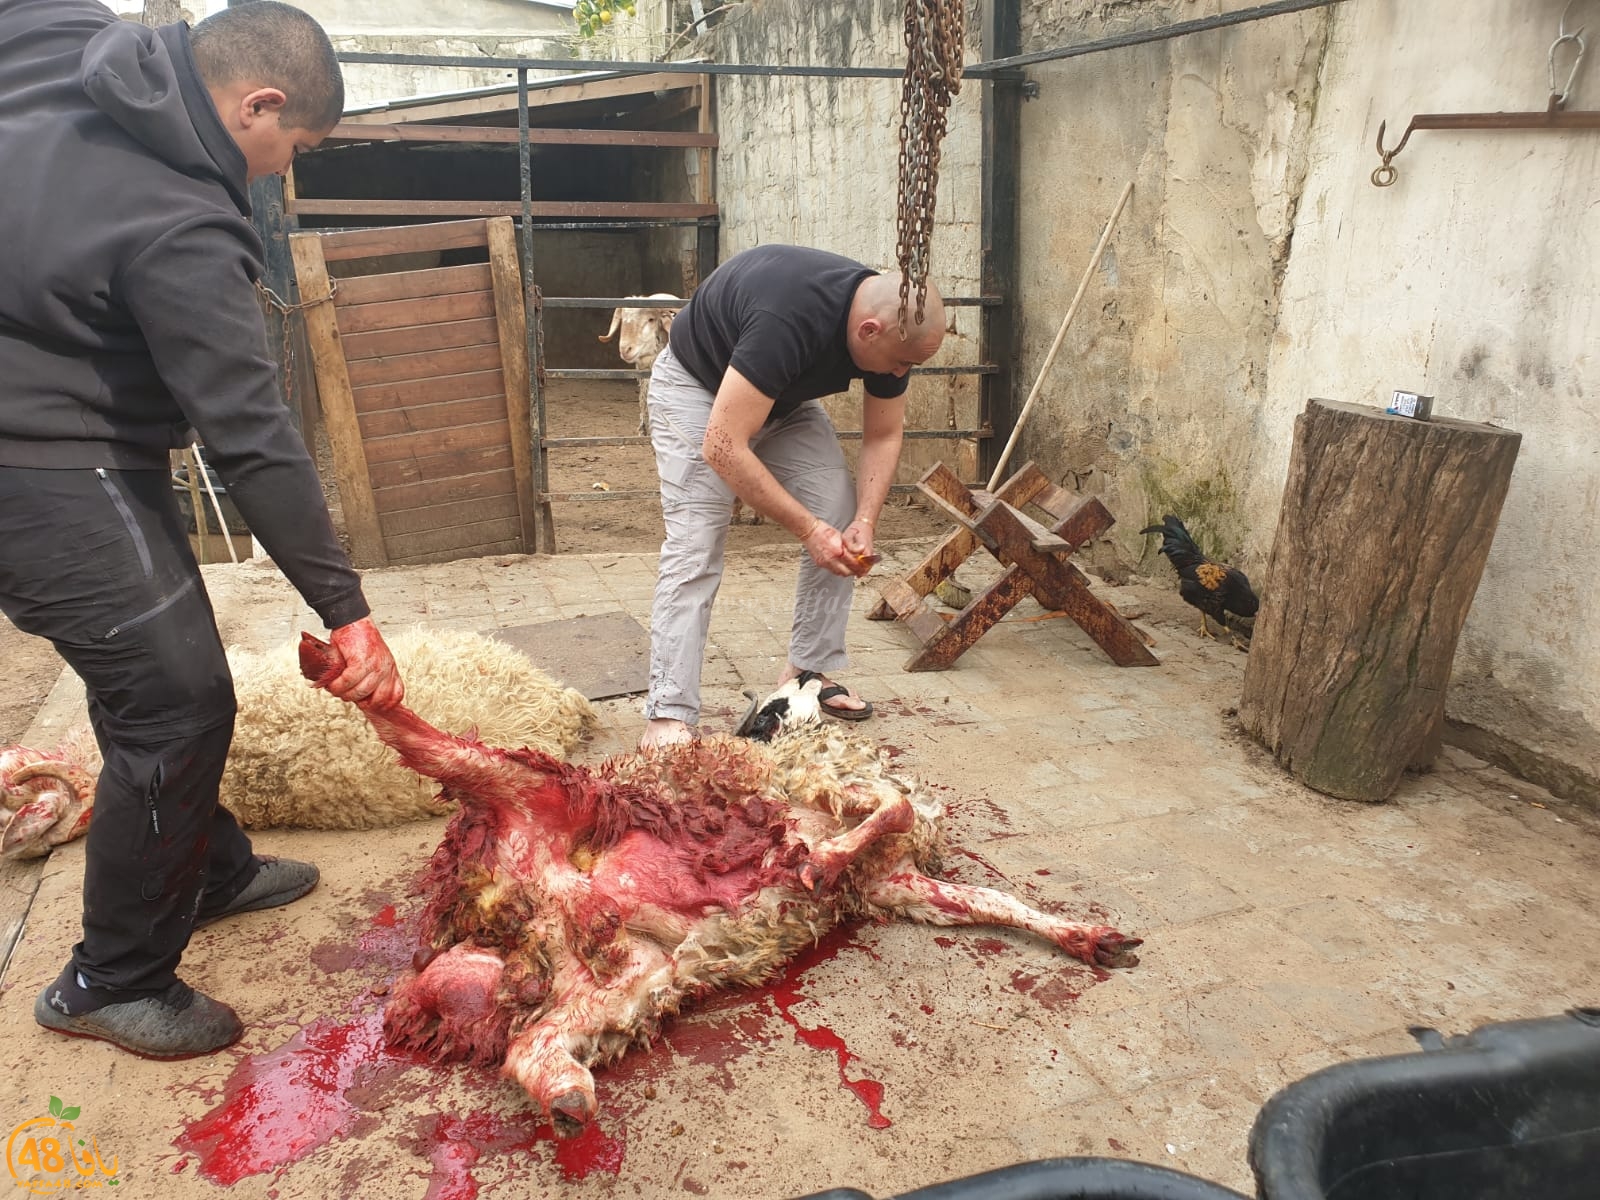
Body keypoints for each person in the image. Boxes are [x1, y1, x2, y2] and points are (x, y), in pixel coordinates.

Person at [0, 0, 405, 1059]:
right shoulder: (182, 216)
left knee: (155, 662)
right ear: (254, 104)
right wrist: (347, 612)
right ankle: (109, 979)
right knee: (177, 699)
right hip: (38, 455)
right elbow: (251, 437)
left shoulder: (66, 44)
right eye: (291, 152)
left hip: (65, 422)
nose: (277, 176)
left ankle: (206, 867)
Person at [639, 244, 946, 751]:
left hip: (780, 399)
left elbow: (884, 436)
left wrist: (864, 520)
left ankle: (805, 675)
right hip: (697, 389)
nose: (899, 375)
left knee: (839, 510)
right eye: (900, 364)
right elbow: (722, 446)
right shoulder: (788, 318)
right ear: (869, 331)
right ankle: (668, 714)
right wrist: (807, 530)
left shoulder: (895, 330)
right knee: (696, 543)